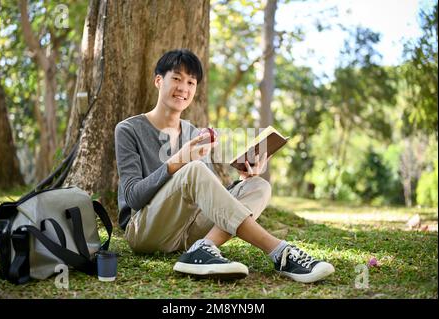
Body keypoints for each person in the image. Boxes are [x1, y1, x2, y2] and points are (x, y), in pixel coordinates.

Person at [114, 49, 335, 283]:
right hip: (146, 231)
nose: (184, 88)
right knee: (193, 169)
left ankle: (203, 247)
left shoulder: (192, 132)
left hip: (187, 232)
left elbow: (210, 199)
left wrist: (242, 180)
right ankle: (281, 252)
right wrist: (178, 160)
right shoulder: (128, 130)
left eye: (191, 82)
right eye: (176, 78)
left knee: (258, 186)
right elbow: (132, 198)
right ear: (159, 80)